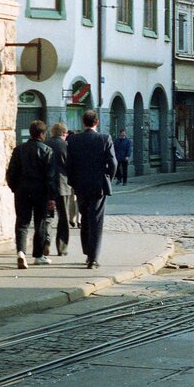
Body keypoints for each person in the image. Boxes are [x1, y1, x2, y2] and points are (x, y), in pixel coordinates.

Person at [67, 110, 116, 269]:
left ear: (83, 122)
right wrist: (108, 177)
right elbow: (113, 163)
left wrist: (73, 183)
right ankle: (92, 257)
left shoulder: (74, 139)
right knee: (96, 220)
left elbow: (69, 165)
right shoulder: (104, 138)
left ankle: (87, 251)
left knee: (85, 217)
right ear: (97, 122)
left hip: (80, 185)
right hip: (98, 185)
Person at [6, 120, 58, 269]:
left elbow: (11, 173)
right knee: (40, 223)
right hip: (40, 191)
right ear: (42, 134)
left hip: (22, 190)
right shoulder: (47, 151)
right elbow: (51, 176)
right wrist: (51, 197)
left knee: (22, 222)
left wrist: (14, 187)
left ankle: (21, 252)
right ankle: (38, 255)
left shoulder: (19, 150)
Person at [45, 123, 71, 257]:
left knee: (48, 216)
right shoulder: (66, 146)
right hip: (63, 184)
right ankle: (62, 248)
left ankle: (46, 242)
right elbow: (70, 165)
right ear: (64, 133)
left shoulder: (45, 144)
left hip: (47, 185)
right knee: (63, 217)